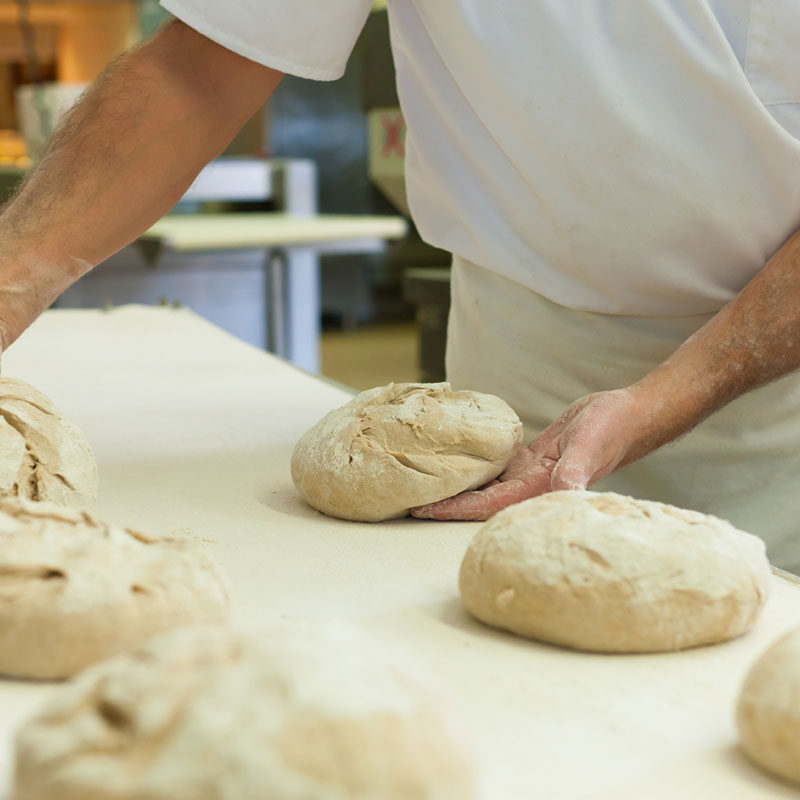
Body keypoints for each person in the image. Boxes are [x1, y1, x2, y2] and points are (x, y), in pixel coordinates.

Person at [2, 2, 800, 571]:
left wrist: (667, 397)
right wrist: (17, 269)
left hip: (781, 409)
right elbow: (198, 74)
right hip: (515, 399)